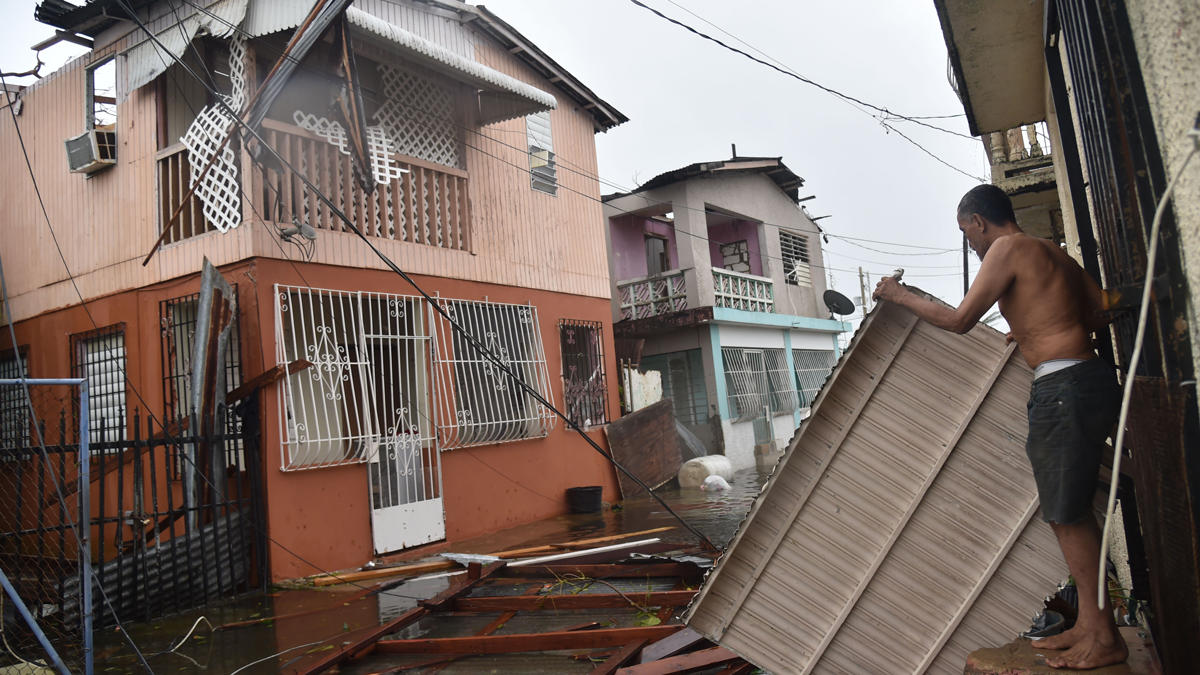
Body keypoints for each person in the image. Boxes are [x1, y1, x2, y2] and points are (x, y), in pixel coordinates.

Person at [872, 184, 1126, 670]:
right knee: (1068, 508)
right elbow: (1101, 308)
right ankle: (1093, 626)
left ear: (978, 222)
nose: (968, 241)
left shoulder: (1005, 248)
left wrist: (898, 294)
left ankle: (1104, 637)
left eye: (965, 231)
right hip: (1089, 378)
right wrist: (1034, 325)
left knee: (1066, 513)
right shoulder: (1050, 250)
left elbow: (960, 319)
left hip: (1061, 388)